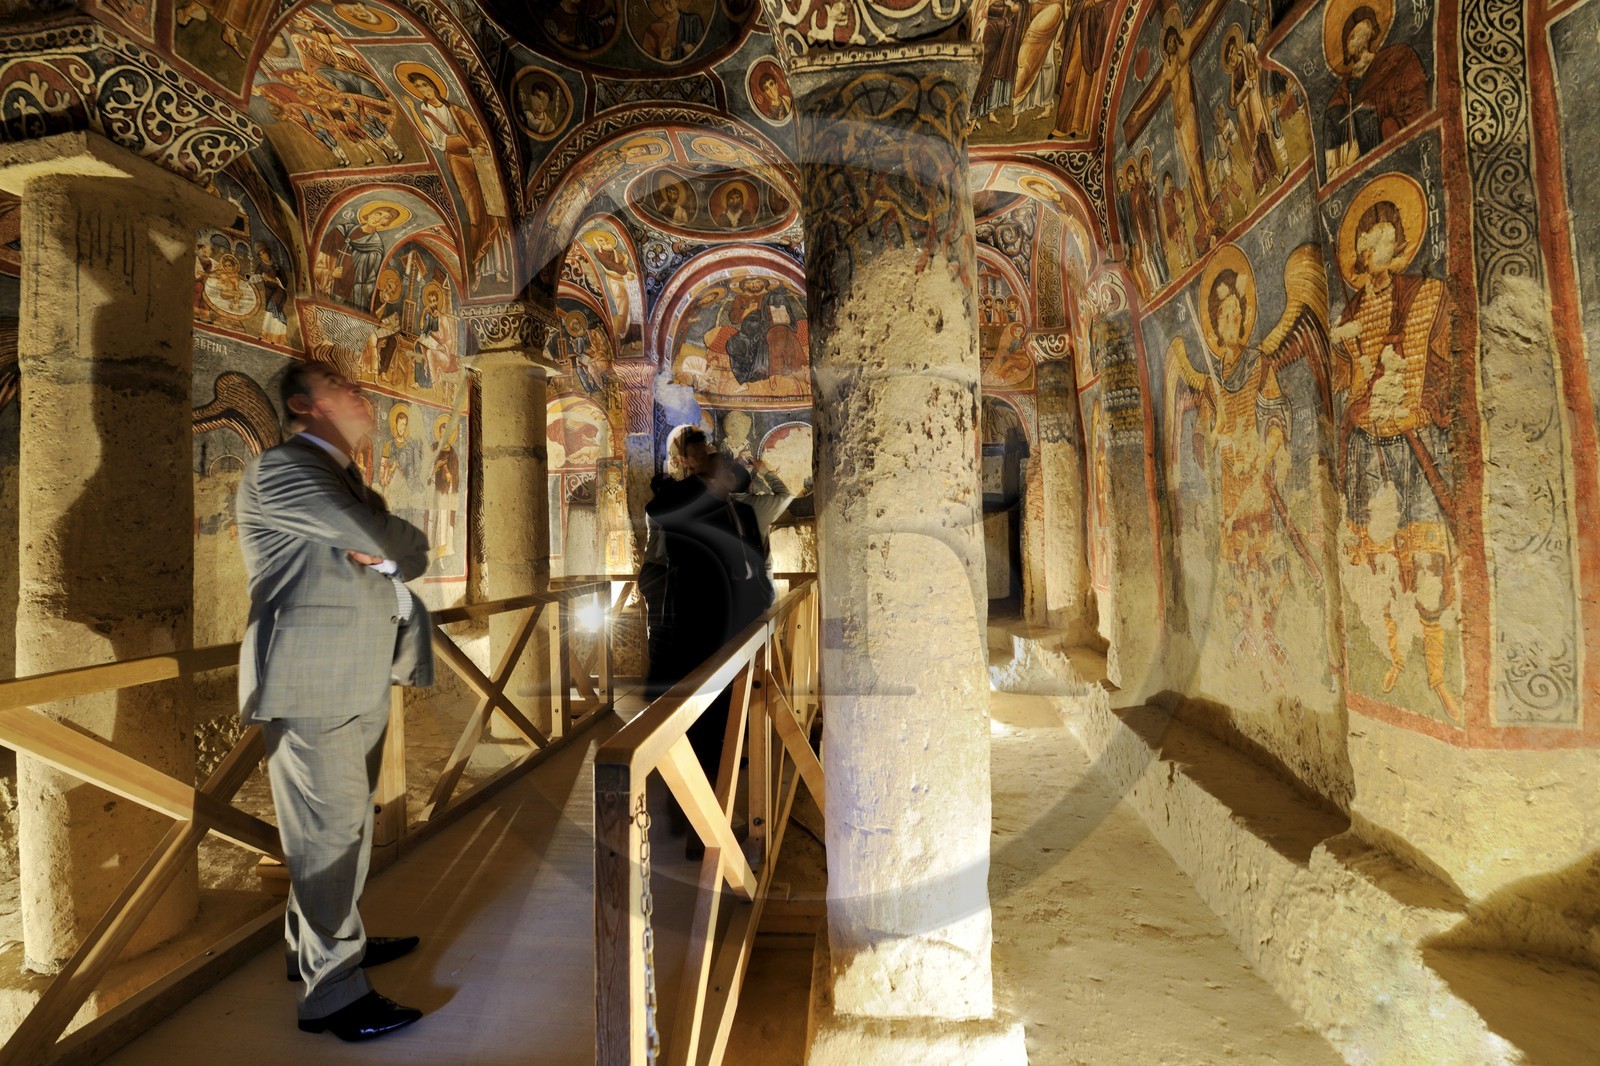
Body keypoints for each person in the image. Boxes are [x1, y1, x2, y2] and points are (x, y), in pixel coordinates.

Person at [234, 361, 433, 1042]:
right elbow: (393, 543)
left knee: (341, 827)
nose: (362, 395)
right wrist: (383, 548)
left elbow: (408, 550)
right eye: (343, 387)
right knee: (330, 836)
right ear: (303, 404)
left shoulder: (343, 481)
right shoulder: (284, 470)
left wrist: (382, 548)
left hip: (351, 672)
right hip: (312, 678)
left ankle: (313, 948)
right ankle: (334, 994)